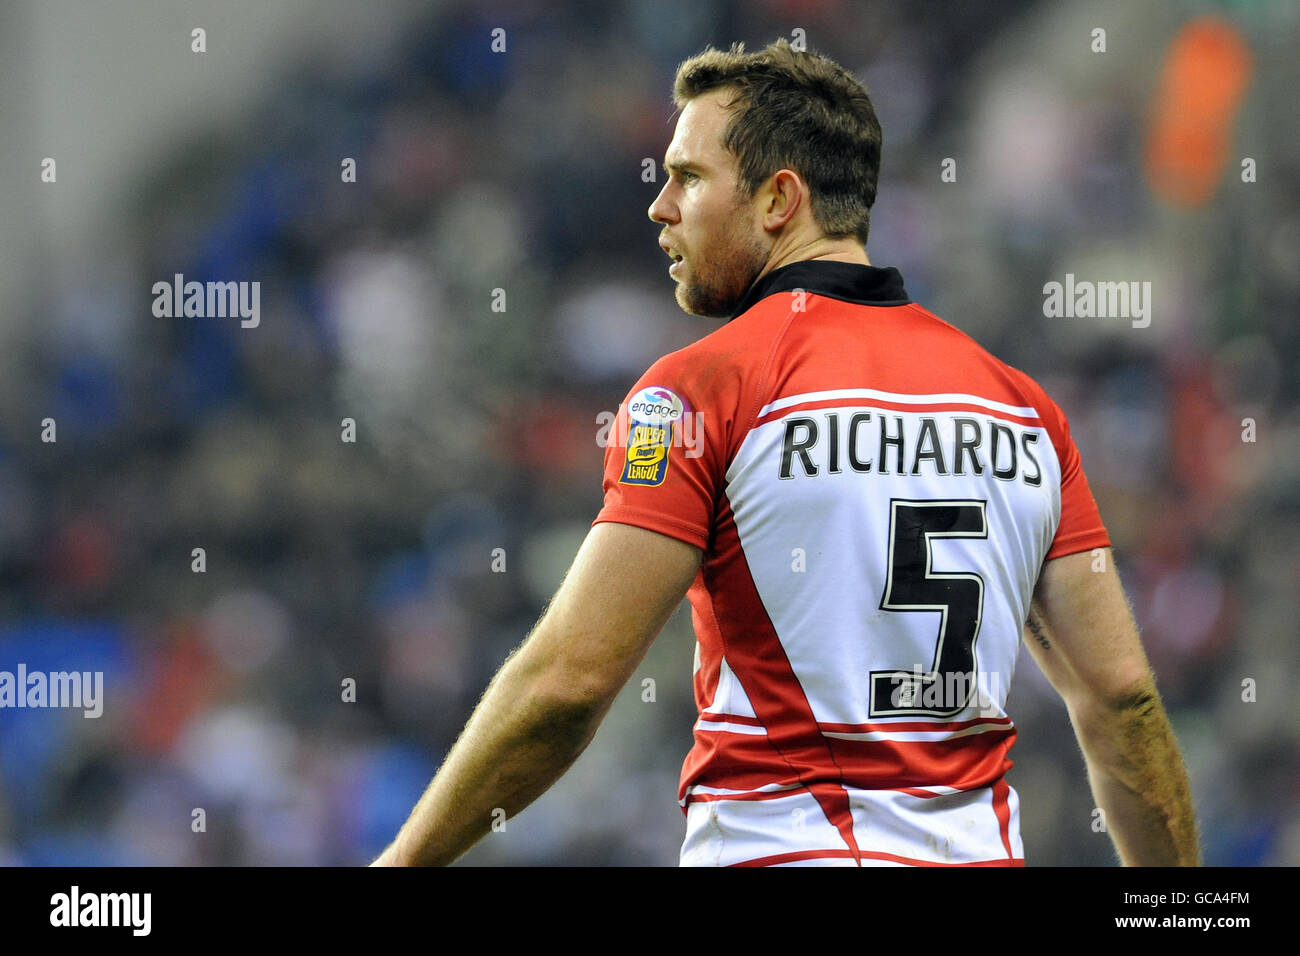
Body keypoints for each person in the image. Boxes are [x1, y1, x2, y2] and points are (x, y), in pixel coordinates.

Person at [372, 39, 1200, 867]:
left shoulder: (698, 391)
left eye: (689, 178)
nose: (660, 207)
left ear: (778, 200)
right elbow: (1121, 699)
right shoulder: (1023, 410)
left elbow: (569, 684)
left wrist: (402, 862)